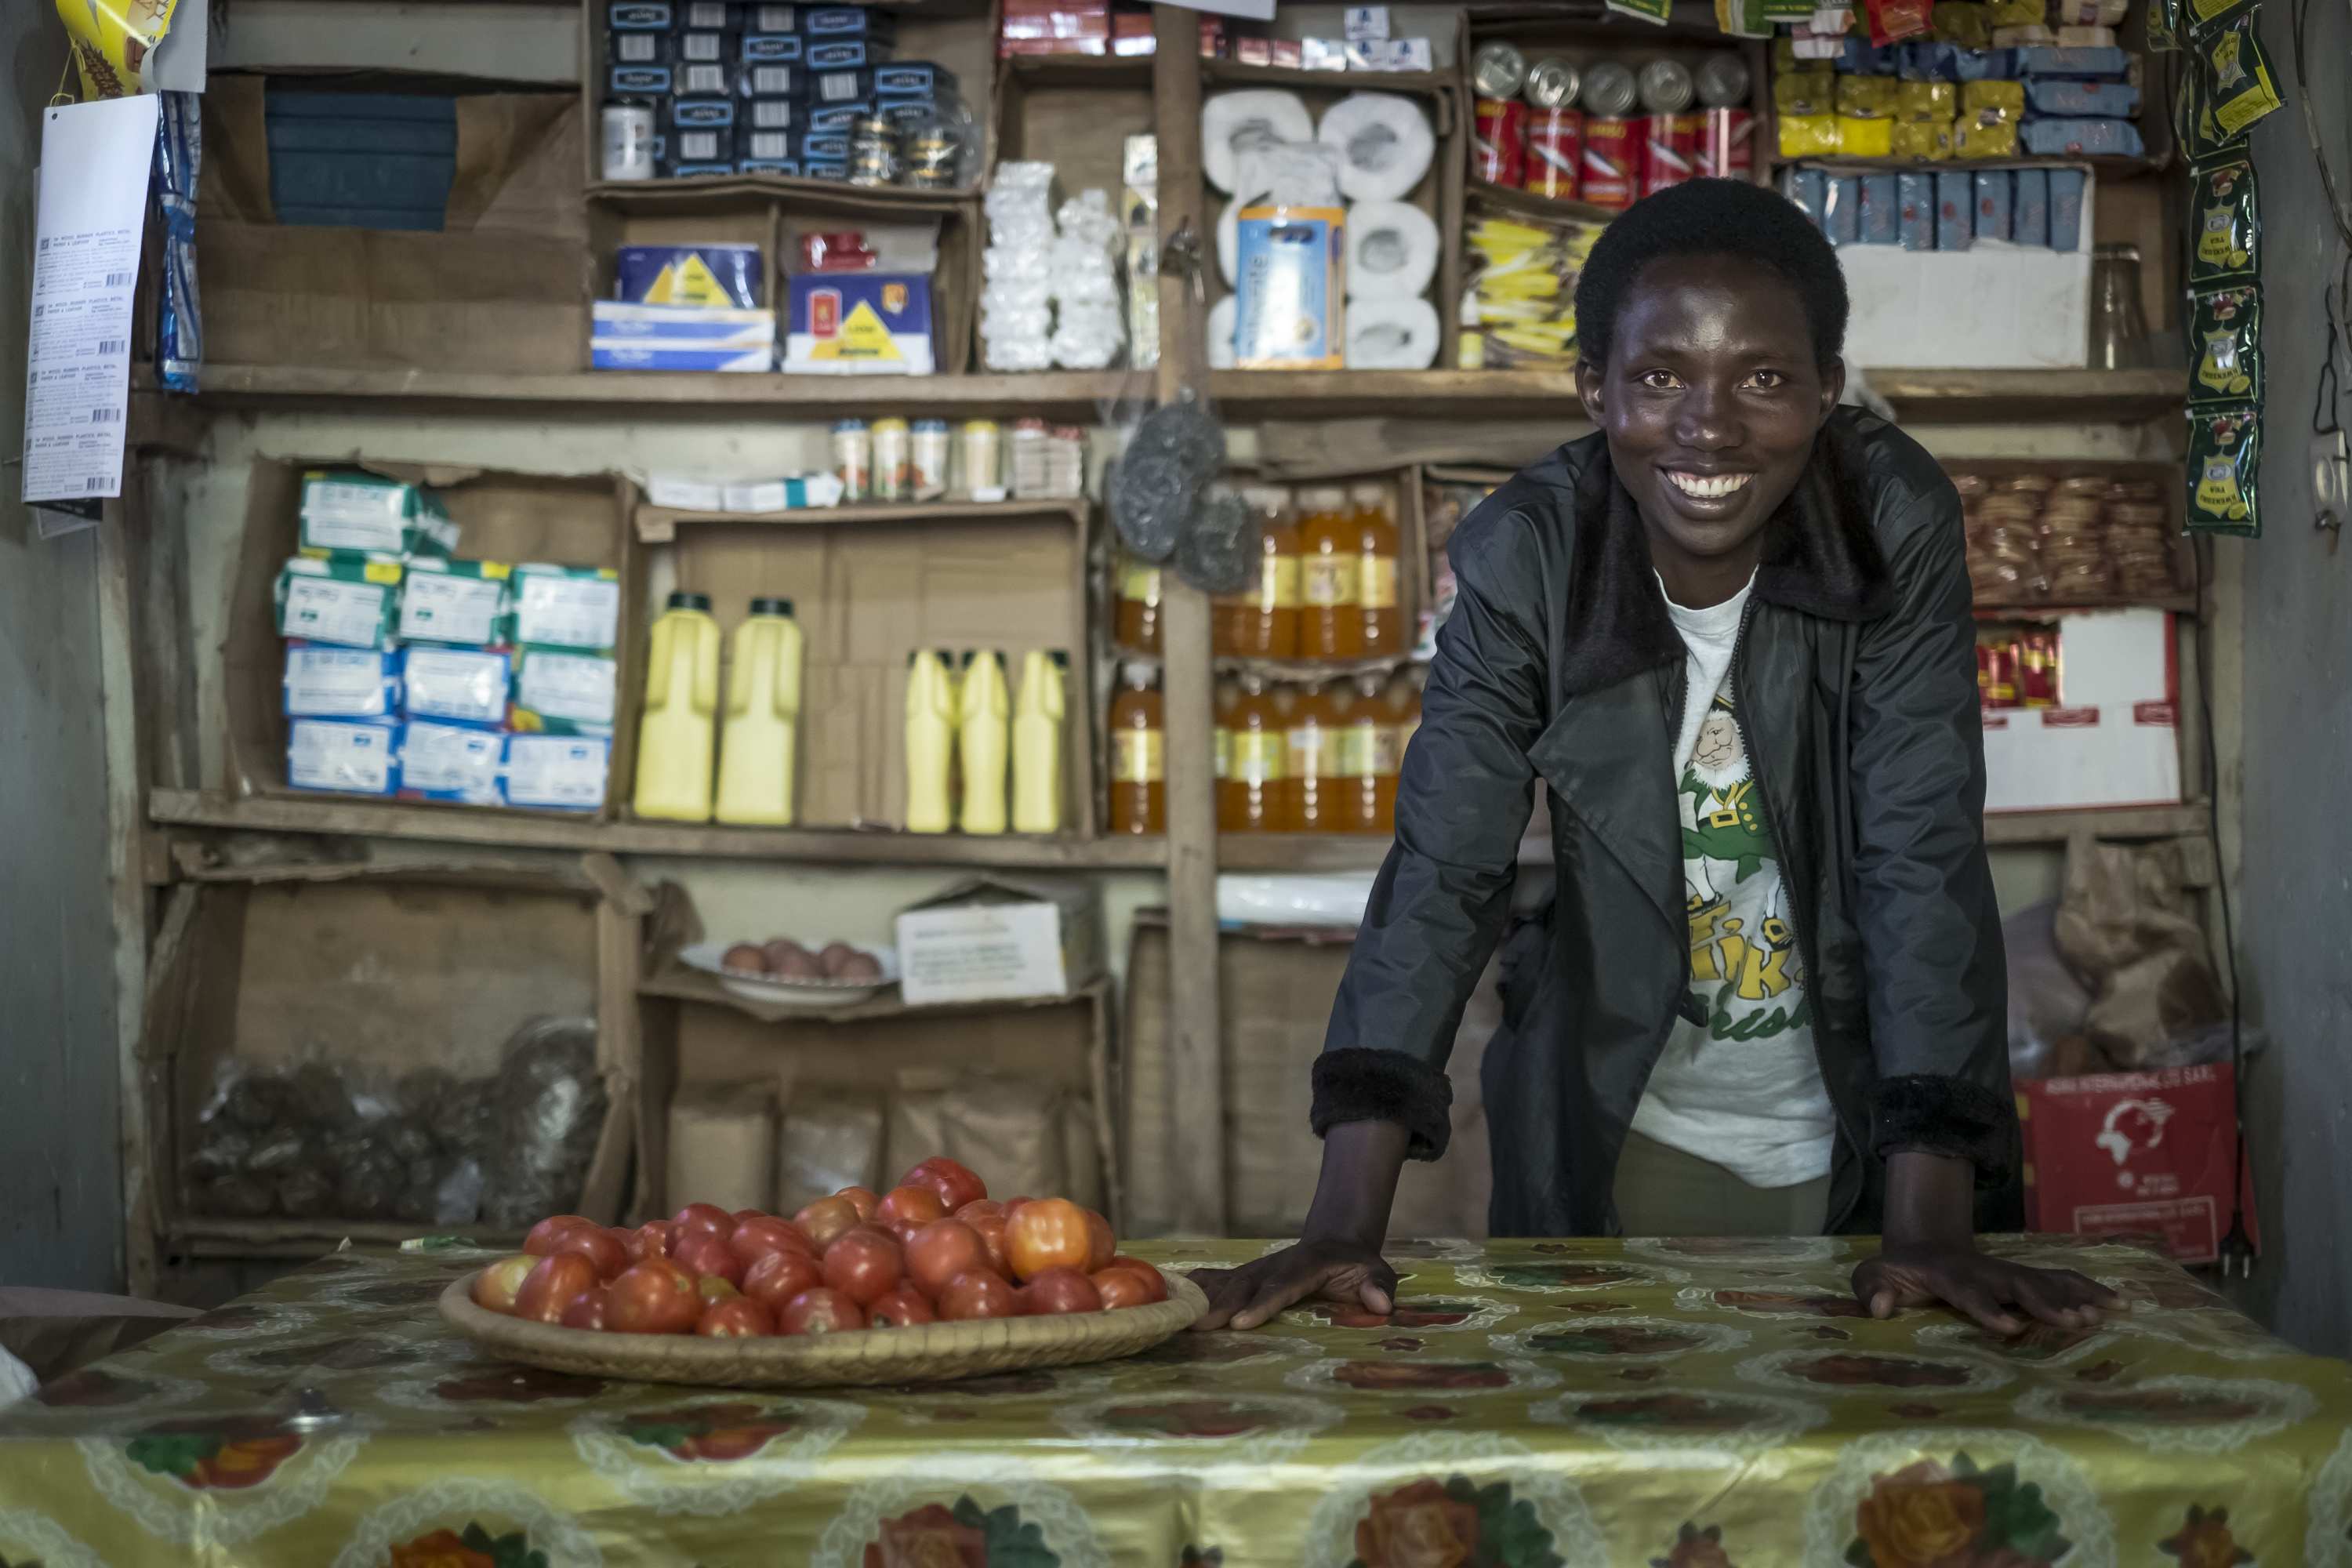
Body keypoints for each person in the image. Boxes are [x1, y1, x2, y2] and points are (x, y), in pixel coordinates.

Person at [1192, 180, 2118, 1337]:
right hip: (1621, 1125)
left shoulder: (1888, 518)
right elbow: (1447, 863)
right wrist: (1344, 1223)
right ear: (1596, 390)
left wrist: (1927, 1218)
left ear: (1829, 388)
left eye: (1766, 379)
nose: (1710, 426)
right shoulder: (1530, 553)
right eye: (1661, 376)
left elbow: (1919, 846)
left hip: (1874, 1137)